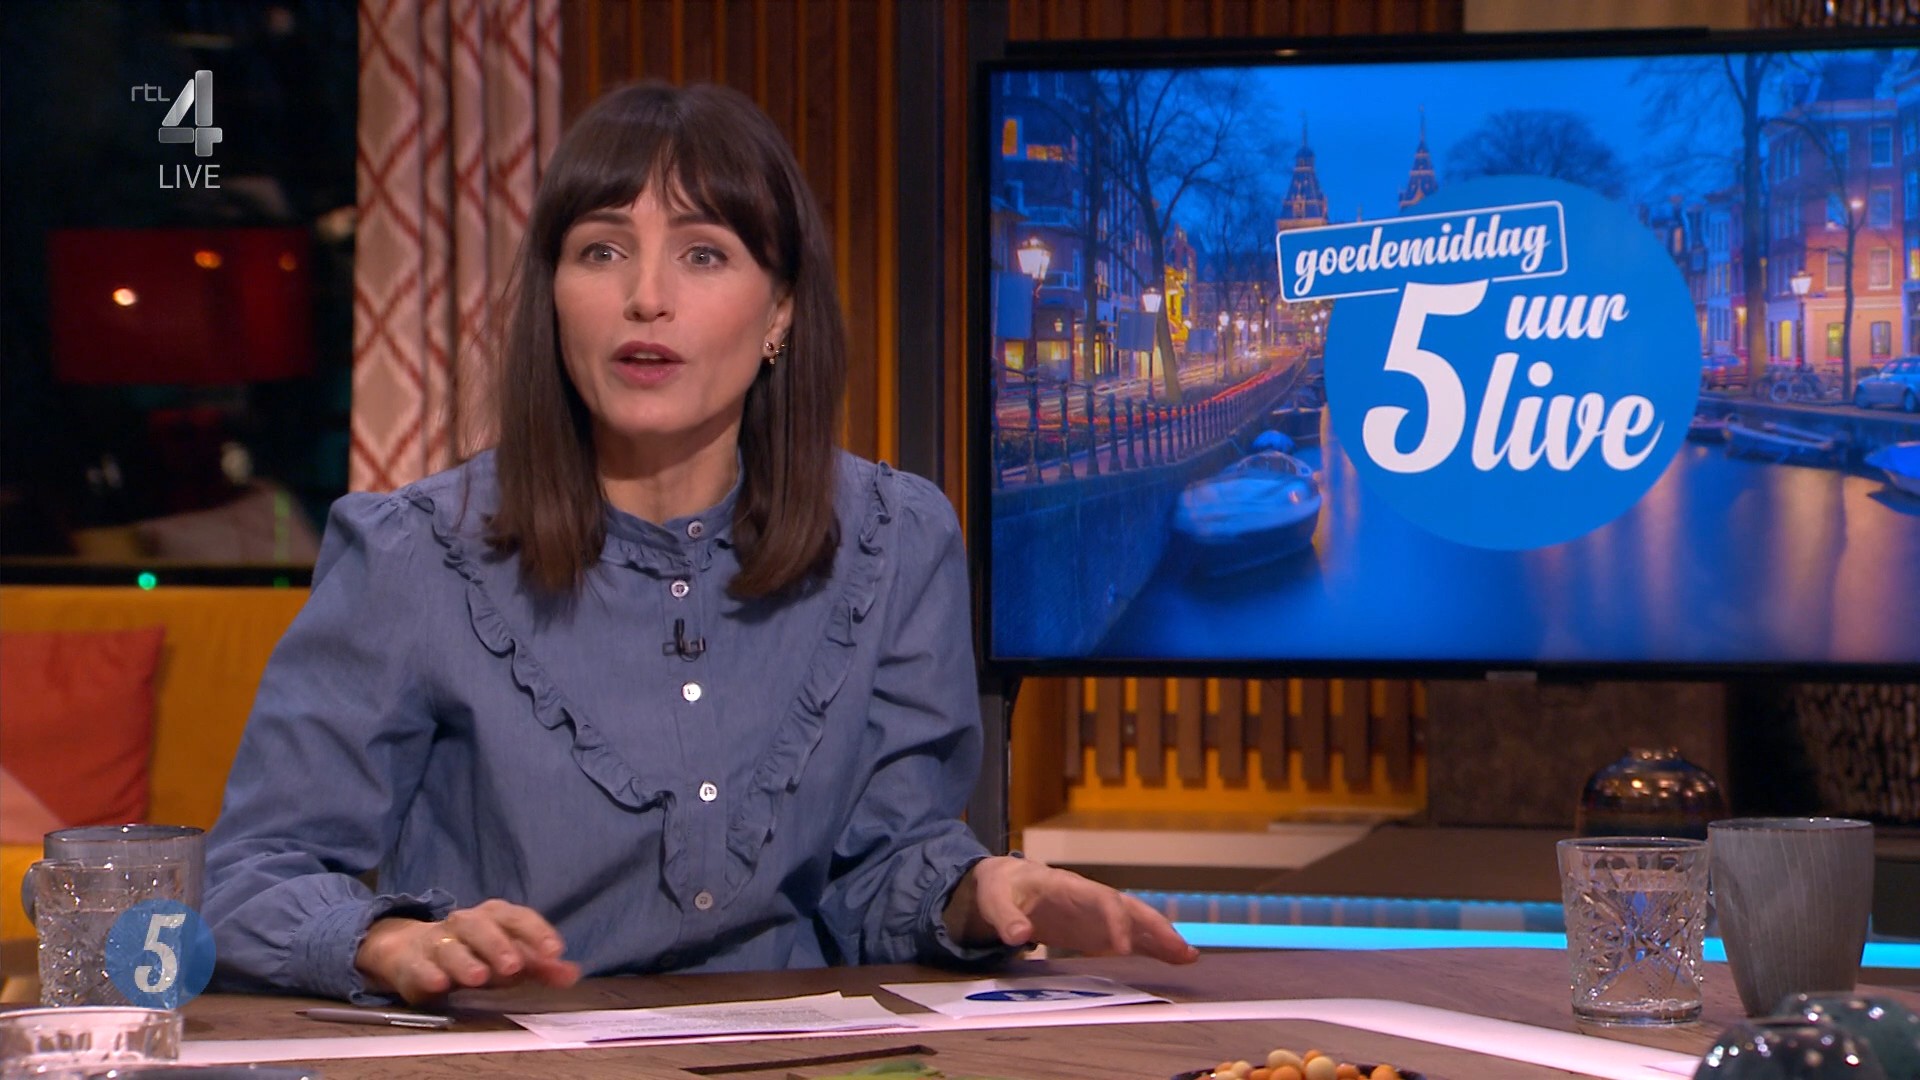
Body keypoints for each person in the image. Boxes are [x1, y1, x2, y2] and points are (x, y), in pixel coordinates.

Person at [201, 81, 1196, 1005]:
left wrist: (984, 892)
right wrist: (386, 941)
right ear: (554, 298)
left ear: (781, 312)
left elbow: (881, 871)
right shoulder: (414, 554)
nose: (646, 296)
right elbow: (248, 875)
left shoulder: (894, 540)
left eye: (703, 254)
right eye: (601, 251)